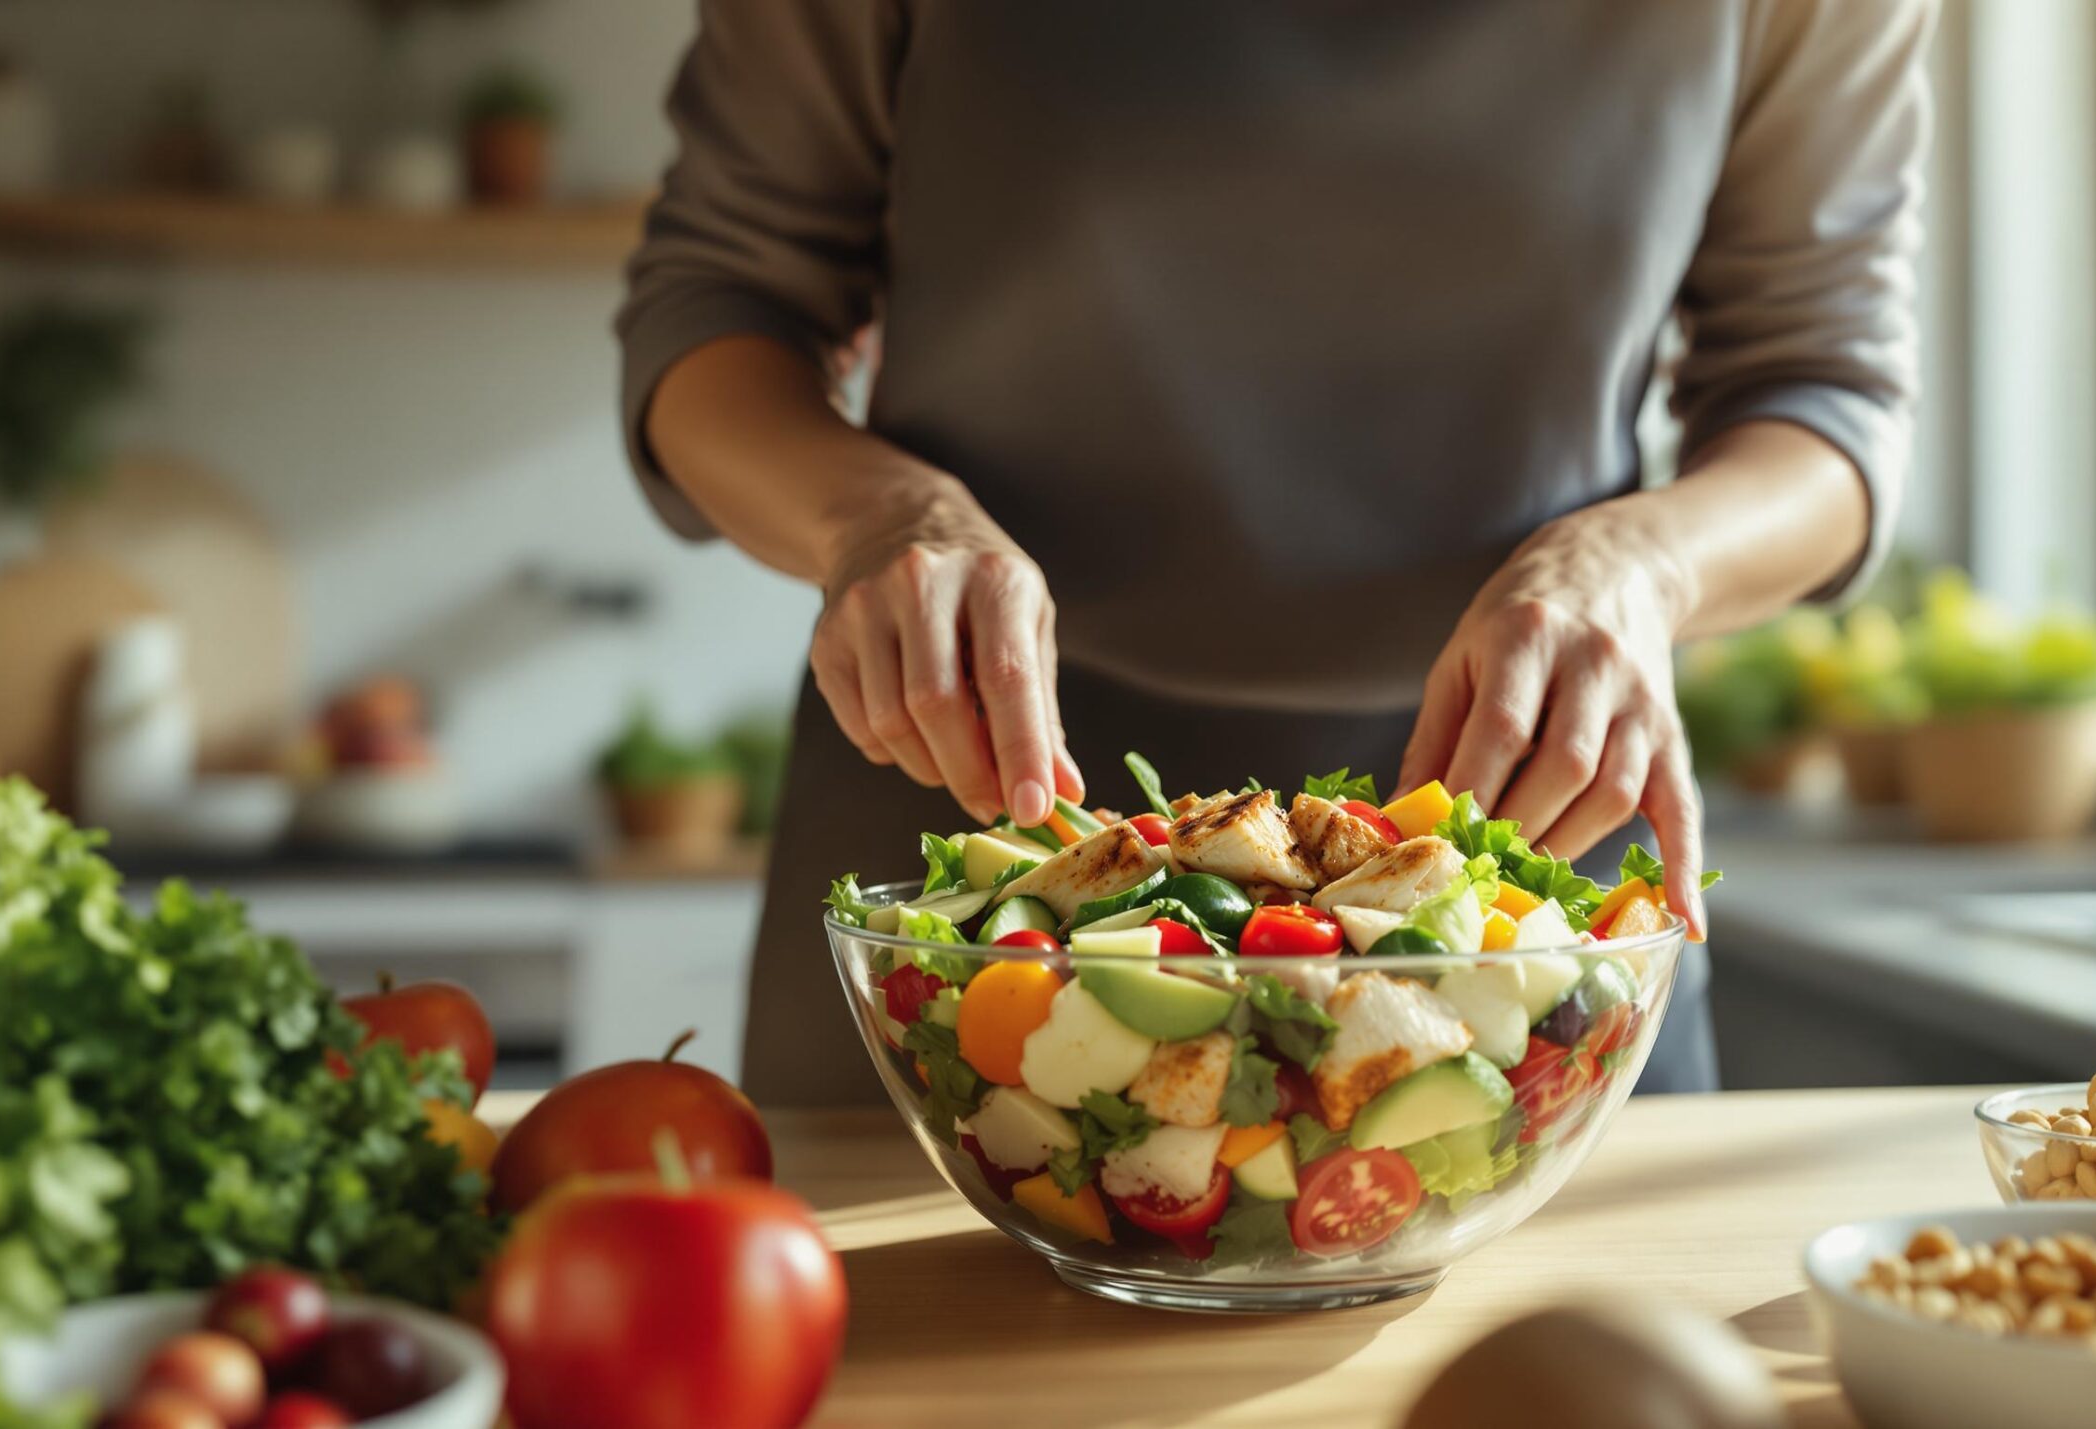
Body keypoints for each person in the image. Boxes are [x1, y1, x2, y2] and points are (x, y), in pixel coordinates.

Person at [618, 0, 1928, 1107]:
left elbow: (1827, 393)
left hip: (1522, 873)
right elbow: (717, 305)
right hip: (968, 863)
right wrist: (875, 518)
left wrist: (1641, 565)